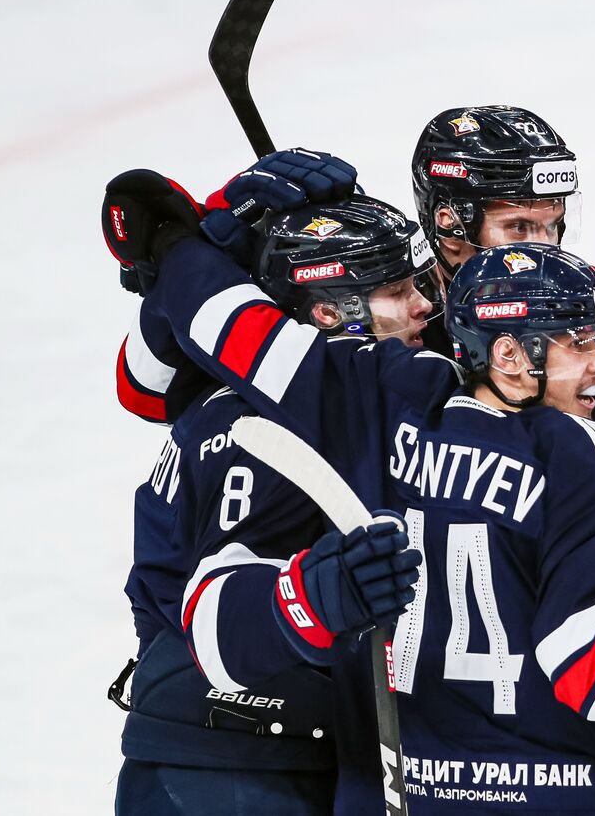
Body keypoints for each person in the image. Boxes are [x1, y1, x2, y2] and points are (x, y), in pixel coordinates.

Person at [120, 202, 595, 814]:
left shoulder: (380, 401)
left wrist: (175, 237)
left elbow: (239, 331)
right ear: (509, 356)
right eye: (580, 342)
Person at [105, 152, 439, 815]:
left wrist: (191, 243)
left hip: (262, 750)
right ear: (328, 312)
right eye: (397, 290)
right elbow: (216, 614)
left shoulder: (258, 386)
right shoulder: (290, 413)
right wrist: (312, 598)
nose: (425, 306)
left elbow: (149, 377)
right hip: (226, 761)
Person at [410, 105, 583, 287]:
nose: (546, 249)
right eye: (519, 228)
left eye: (552, 225)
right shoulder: (405, 313)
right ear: (450, 230)